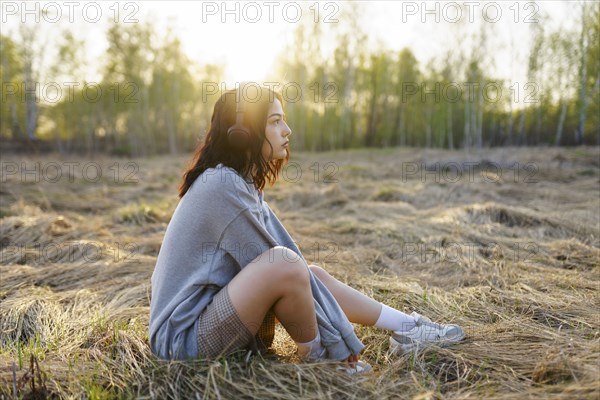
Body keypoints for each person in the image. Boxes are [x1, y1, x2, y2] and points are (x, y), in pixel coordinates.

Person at [148, 83, 465, 374]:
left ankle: (408, 327)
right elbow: (279, 265)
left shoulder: (241, 185)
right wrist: (337, 344)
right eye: (274, 121)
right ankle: (324, 363)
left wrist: (336, 328)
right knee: (285, 266)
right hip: (181, 343)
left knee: (311, 272)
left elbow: (298, 269)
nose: (287, 130)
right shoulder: (222, 186)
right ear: (242, 134)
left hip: (210, 320)